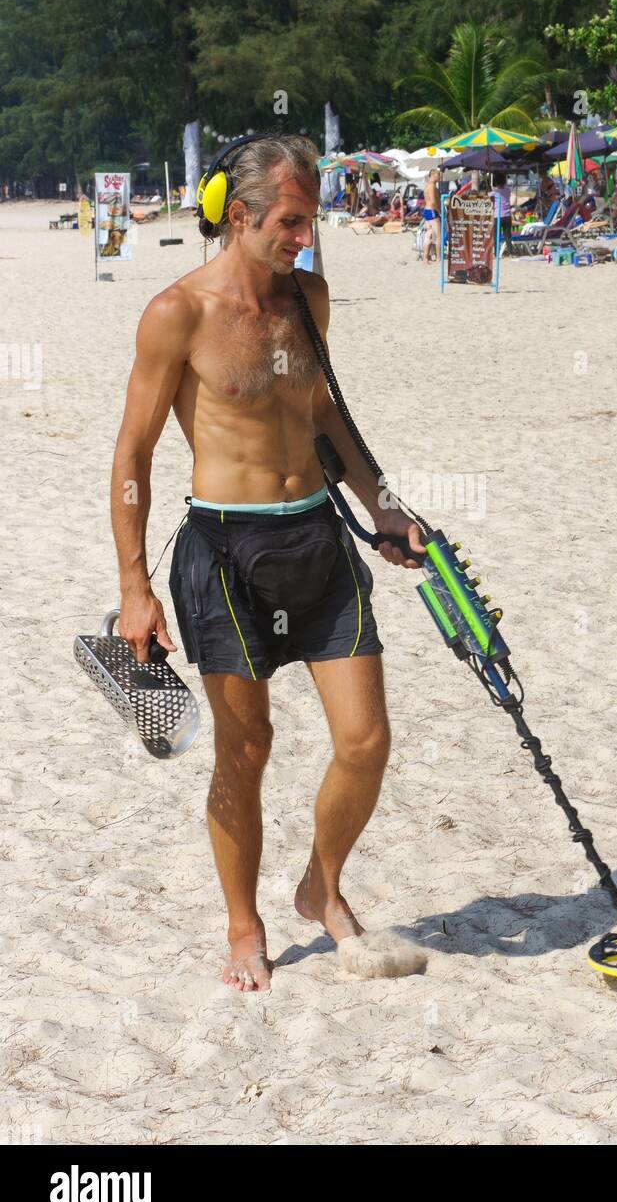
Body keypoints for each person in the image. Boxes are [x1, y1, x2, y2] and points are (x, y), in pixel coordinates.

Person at [110, 134, 427, 992]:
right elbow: (132, 458)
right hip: (223, 553)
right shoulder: (179, 313)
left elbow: (323, 415)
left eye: (310, 222)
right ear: (240, 216)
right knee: (245, 752)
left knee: (365, 741)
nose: (303, 239)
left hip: (318, 540)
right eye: (291, 222)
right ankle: (243, 923)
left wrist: (382, 504)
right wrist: (135, 591)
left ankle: (320, 886)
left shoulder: (308, 299)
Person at [422, 167, 440, 264]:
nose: (440, 177)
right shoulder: (432, 186)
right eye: (438, 175)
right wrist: (440, 211)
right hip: (432, 211)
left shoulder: (428, 186)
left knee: (428, 235)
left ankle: (425, 258)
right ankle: (438, 258)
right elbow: (433, 202)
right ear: (433, 175)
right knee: (438, 236)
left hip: (426, 211)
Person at [491, 171, 513, 254]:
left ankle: (496, 252)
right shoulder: (507, 190)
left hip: (498, 216)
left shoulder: (494, 192)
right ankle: (511, 252)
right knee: (508, 235)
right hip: (507, 215)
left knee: (496, 235)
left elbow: (488, 196)